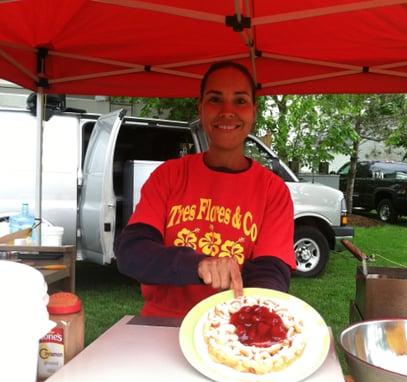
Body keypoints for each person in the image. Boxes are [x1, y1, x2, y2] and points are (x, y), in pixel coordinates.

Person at [114, 62, 295, 318]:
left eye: (240, 101)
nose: (227, 111)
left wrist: (248, 321)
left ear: (253, 112)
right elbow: (132, 252)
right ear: (201, 108)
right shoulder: (169, 175)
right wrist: (198, 264)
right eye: (215, 99)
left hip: (233, 327)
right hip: (162, 323)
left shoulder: (273, 190)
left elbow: (271, 273)